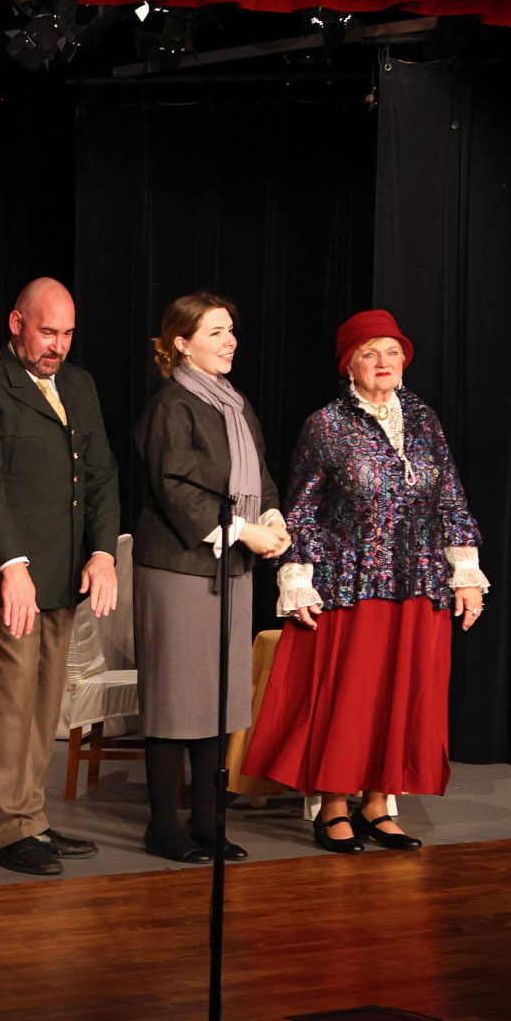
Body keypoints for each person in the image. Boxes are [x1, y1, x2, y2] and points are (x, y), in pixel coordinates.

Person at [249, 308, 489, 854]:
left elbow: (450, 498)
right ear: (349, 365)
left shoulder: (424, 420)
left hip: (419, 580)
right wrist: (296, 579)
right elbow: (302, 510)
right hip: (349, 582)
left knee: (402, 695)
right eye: (369, 353)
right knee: (350, 699)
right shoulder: (326, 425)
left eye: (392, 352)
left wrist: (466, 574)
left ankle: (379, 805)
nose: (383, 362)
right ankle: (334, 806)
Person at [0, 276, 123, 877]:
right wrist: (11, 565)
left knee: (45, 702)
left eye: (67, 334)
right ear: (16, 324)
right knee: (9, 704)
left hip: (62, 573)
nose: (58, 346)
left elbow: (101, 473)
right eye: (48, 332)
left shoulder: (79, 384)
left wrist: (103, 553)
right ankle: (8, 830)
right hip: (7, 575)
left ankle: (31, 816)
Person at [128, 295, 291, 865]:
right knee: (176, 699)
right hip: (179, 567)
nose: (231, 341)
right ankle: (162, 826)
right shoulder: (172, 405)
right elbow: (177, 489)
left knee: (219, 699)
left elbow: (258, 474)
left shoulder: (235, 404)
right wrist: (245, 530)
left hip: (230, 568)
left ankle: (207, 820)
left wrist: (271, 517)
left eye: (231, 331)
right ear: (181, 343)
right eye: (216, 332)